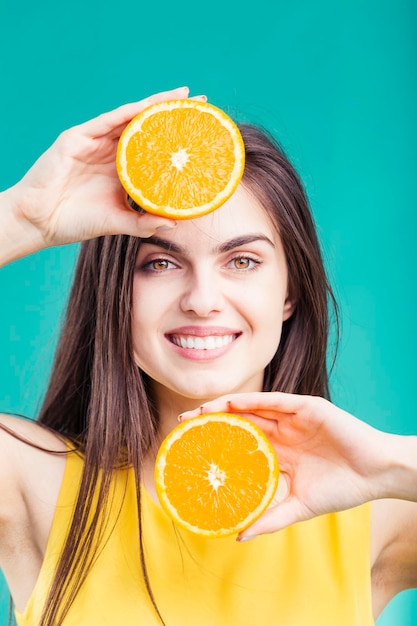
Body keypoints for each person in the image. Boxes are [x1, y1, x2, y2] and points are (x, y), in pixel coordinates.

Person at [0, 86, 416, 626]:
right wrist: (22, 219)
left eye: (242, 261)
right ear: (115, 295)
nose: (201, 300)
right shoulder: (33, 484)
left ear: (290, 293)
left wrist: (391, 465)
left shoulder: (375, 513)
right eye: (159, 264)